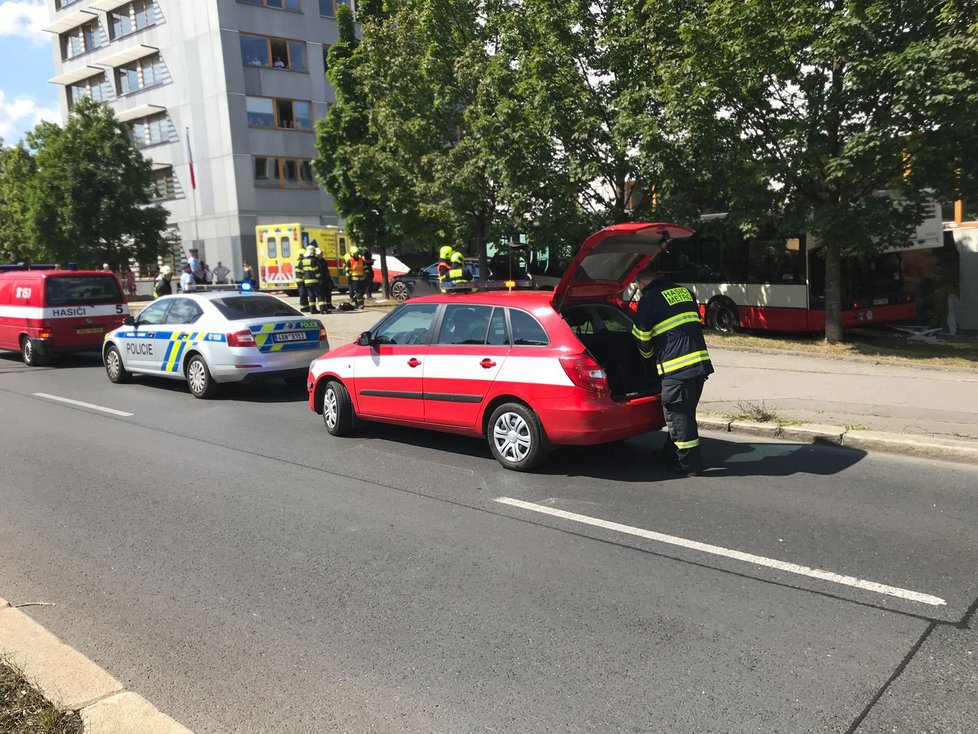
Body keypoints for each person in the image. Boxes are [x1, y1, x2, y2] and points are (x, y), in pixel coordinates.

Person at [631, 263, 714, 476]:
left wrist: (648, 359)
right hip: (699, 365)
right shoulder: (684, 292)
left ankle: (688, 465)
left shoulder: (648, 299)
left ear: (641, 283)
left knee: (679, 417)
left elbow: (641, 336)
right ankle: (669, 454)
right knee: (684, 413)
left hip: (677, 368)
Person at [298, 246, 323, 313]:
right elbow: (316, 271)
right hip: (315, 281)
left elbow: (301, 271)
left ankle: (312, 310)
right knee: (320, 295)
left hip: (307, 282)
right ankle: (323, 309)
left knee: (311, 296)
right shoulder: (314, 260)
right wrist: (320, 278)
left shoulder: (303, 261)